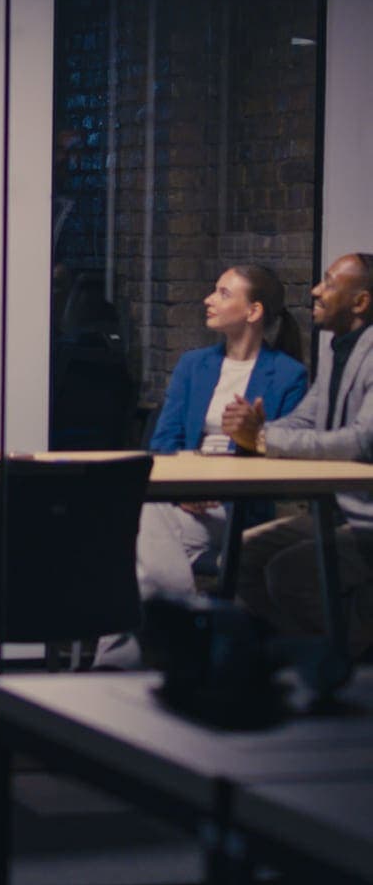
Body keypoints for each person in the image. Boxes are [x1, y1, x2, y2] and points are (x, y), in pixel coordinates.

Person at [96, 264, 308, 668]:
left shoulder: (287, 375)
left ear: (254, 311)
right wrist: (184, 489)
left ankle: (127, 660)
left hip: (237, 506)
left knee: (131, 534)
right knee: (135, 520)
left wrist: (242, 449)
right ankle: (180, 627)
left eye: (224, 293)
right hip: (183, 502)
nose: (209, 300)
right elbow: (163, 443)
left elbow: (282, 453)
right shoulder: (195, 365)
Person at [225, 253, 373, 660]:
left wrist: (265, 440)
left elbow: (362, 441)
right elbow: (304, 421)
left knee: (288, 573)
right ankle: (315, 658)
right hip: (339, 509)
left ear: (359, 303)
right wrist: (251, 433)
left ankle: (348, 662)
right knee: (241, 556)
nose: (315, 291)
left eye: (328, 283)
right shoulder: (336, 350)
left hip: (365, 516)